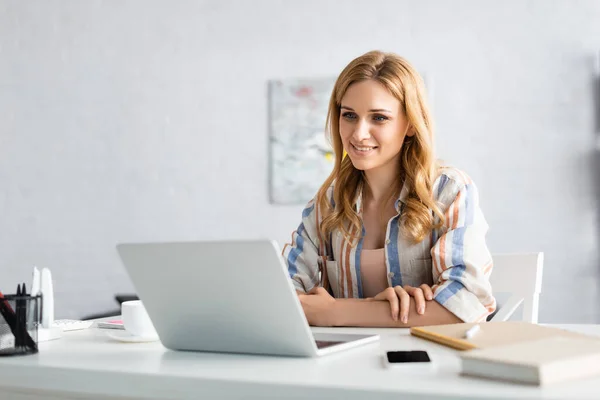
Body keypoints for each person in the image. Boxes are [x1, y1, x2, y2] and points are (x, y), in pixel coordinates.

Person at [282, 50, 496, 327]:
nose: (358, 133)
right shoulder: (326, 205)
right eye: (349, 115)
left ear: (409, 123)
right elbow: (285, 299)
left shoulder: (449, 191)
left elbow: (465, 305)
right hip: (345, 363)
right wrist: (372, 307)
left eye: (379, 118)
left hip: (430, 362)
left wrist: (335, 311)